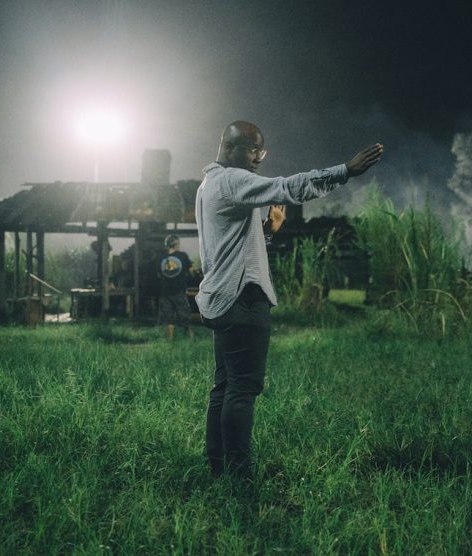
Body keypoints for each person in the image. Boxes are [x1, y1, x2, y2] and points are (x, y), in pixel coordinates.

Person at [196, 120, 383, 482]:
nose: (259, 159)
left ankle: (217, 467)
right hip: (242, 300)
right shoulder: (233, 180)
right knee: (242, 389)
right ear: (231, 147)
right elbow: (287, 187)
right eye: (254, 150)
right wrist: (345, 171)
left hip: (221, 298)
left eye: (261, 152)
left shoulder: (210, 184)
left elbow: (229, 246)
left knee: (224, 386)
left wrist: (267, 231)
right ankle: (239, 478)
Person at [156, 234, 193, 340]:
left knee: (168, 316)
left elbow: (158, 274)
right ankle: (191, 337)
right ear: (176, 244)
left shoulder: (162, 258)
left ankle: (170, 339)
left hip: (165, 291)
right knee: (184, 313)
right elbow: (191, 271)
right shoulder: (183, 256)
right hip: (179, 290)